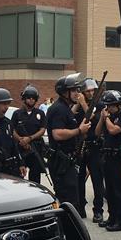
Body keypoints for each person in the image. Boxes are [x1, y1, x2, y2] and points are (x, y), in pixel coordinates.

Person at [46, 74, 91, 215]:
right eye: (74, 90)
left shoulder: (66, 108)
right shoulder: (59, 109)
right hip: (61, 162)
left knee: (72, 199)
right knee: (69, 201)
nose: (78, 93)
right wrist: (79, 130)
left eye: (78, 90)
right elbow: (57, 134)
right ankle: (67, 228)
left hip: (67, 161)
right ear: (65, 92)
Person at [95, 90, 121, 232]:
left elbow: (113, 130)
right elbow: (97, 133)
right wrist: (101, 119)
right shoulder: (108, 118)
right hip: (108, 157)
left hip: (119, 158)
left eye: (111, 105)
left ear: (119, 105)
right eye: (107, 106)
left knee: (119, 190)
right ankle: (112, 217)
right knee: (109, 190)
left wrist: (106, 119)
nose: (109, 108)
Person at [74, 78, 106, 223]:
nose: (91, 93)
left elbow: (92, 117)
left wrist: (83, 103)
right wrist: (77, 103)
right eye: (87, 91)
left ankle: (98, 211)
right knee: (78, 179)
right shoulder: (78, 105)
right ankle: (80, 207)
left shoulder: (100, 105)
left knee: (97, 180)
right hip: (80, 146)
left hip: (94, 146)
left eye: (93, 90)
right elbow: (71, 115)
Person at [11, 85, 47, 184]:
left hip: (35, 148)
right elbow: (12, 129)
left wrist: (30, 138)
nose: (31, 100)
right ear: (24, 98)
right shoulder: (17, 113)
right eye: (29, 97)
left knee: (35, 178)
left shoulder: (40, 113)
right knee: (18, 177)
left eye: (33, 98)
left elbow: (42, 129)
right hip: (20, 148)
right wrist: (21, 140)